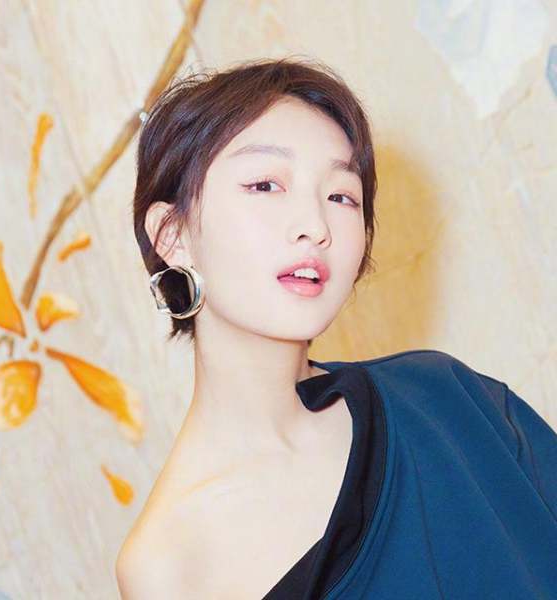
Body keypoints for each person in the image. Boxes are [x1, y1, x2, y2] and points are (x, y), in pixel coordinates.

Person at [116, 57, 557, 599]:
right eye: (265, 185)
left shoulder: (445, 400)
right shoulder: (168, 563)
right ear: (171, 233)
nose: (315, 226)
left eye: (341, 196)